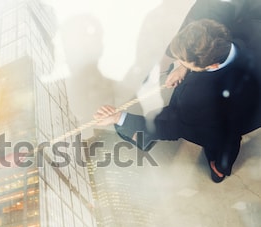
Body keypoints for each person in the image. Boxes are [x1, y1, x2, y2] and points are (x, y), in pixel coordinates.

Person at [94, 19, 260, 183]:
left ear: (213, 65)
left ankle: (219, 167)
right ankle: (222, 169)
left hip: (218, 122)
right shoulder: (252, 29)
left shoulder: (197, 96)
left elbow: (173, 126)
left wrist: (119, 118)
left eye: (184, 61)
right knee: (230, 139)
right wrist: (184, 67)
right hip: (253, 108)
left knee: (220, 139)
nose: (178, 63)